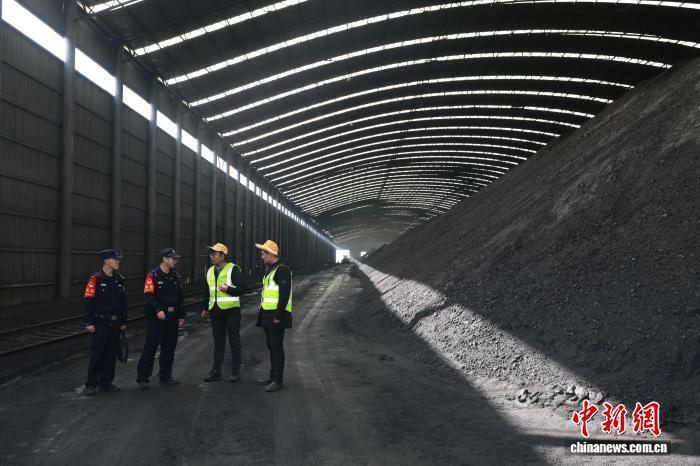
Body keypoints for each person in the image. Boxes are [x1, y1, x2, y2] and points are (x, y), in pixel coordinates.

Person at [136, 248, 185, 389]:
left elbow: (180, 297)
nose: (175, 261)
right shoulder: (153, 275)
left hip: (172, 317)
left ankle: (165, 376)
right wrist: (158, 309)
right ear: (164, 259)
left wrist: (181, 315)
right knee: (150, 348)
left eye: (176, 259)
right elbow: (149, 295)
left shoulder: (175, 276)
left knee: (169, 348)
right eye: (173, 258)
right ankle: (143, 378)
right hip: (156, 318)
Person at [82, 249, 127, 395]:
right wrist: (89, 322)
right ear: (106, 261)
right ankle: (91, 383)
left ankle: (106, 382)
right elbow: (88, 301)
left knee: (111, 354)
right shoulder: (95, 279)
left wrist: (123, 321)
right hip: (100, 322)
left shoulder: (119, 279)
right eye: (115, 259)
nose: (118, 261)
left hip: (115, 323)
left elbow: (123, 302)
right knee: (98, 353)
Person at [202, 243, 247, 382]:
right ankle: (216, 371)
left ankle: (235, 372)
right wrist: (205, 308)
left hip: (231, 311)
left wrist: (229, 290)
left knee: (234, 341)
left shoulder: (233, 269)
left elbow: (242, 288)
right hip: (215, 312)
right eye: (211, 254)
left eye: (214, 254)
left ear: (222, 256)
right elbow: (206, 291)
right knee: (218, 342)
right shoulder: (210, 271)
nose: (211, 256)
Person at [254, 240, 292, 392]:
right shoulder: (270, 269)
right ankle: (273, 376)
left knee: (276, 347)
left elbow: (284, 294)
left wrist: (278, 314)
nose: (262, 256)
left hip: (276, 315)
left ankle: (278, 380)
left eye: (263, 253)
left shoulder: (282, 270)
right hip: (267, 313)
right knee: (271, 346)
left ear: (270, 254)